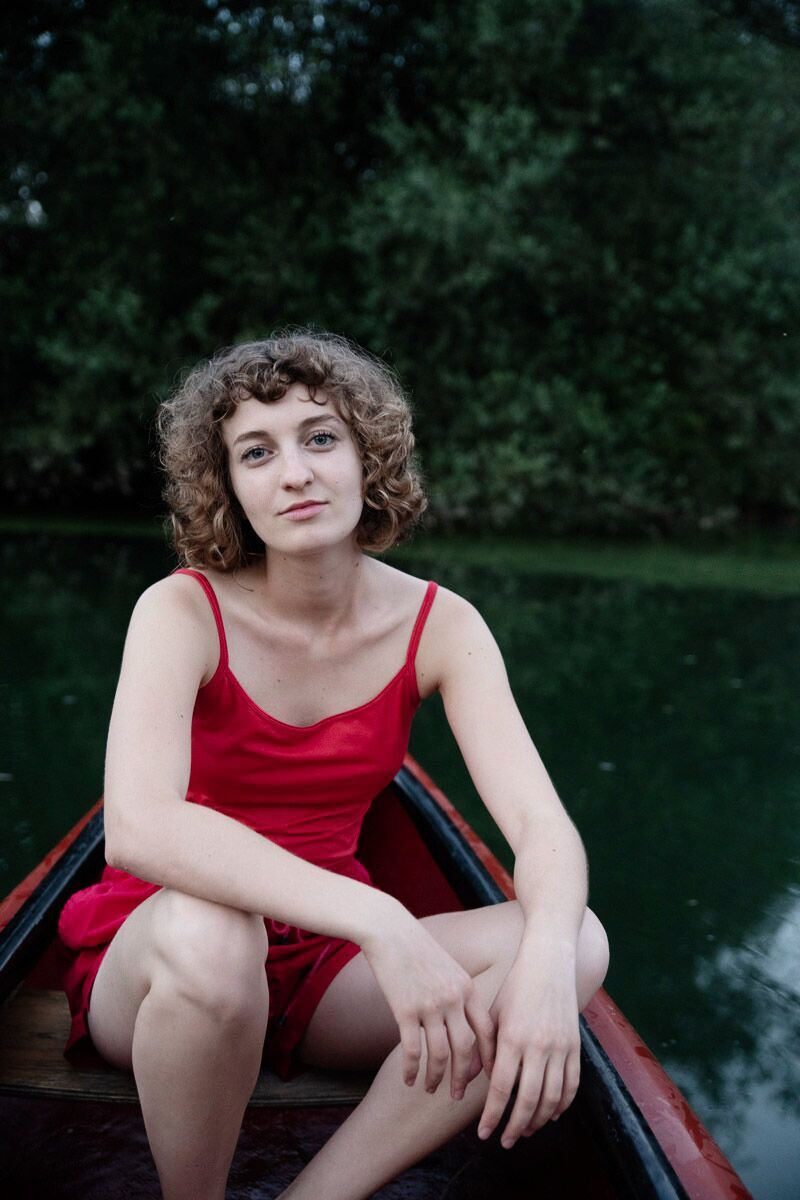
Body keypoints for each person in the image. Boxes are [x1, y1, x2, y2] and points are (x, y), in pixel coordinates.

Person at [56, 330, 609, 1200]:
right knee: (214, 932)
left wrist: (543, 971)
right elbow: (138, 828)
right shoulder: (179, 610)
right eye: (256, 452)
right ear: (228, 485)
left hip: (328, 969)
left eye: (320, 438)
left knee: (577, 941)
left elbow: (542, 826)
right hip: (166, 956)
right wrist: (383, 919)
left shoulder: (444, 625)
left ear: (366, 455)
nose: (296, 474)